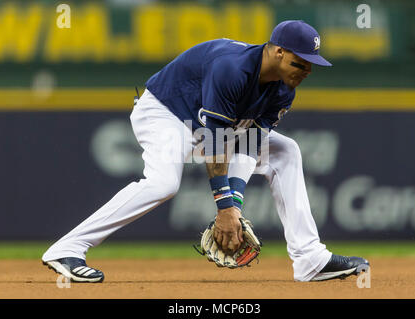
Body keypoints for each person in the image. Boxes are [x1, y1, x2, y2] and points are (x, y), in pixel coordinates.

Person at [42, 20, 369, 283]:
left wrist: (235, 207)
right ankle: (69, 248)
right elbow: (216, 145)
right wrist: (224, 208)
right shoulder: (233, 69)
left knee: (286, 152)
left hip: (205, 124)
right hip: (165, 112)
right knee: (163, 183)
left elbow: (248, 144)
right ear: (278, 52)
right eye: (301, 62)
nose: (306, 71)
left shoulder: (283, 90)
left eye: (312, 65)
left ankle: (310, 259)